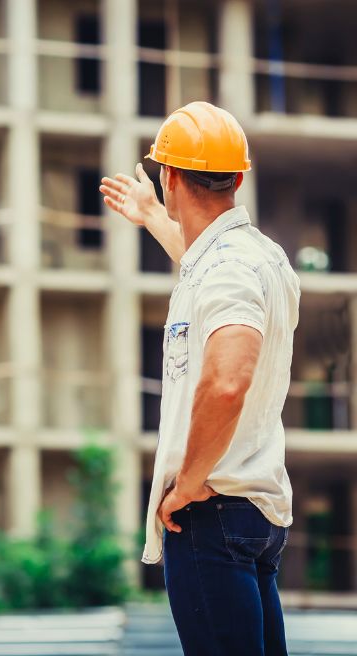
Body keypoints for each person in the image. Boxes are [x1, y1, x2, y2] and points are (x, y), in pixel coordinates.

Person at [100, 101, 299, 655]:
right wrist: (151, 217)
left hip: (210, 514)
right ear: (238, 178)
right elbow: (203, 262)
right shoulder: (263, 258)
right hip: (256, 515)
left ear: (168, 176)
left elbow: (228, 381)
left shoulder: (228, 268)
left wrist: (186, 485)